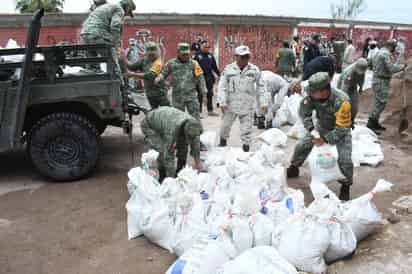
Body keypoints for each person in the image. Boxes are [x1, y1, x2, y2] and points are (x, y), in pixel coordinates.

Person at [287, 72, 354, 201]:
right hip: (321, 126)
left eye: (313, 91)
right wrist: (312, 131)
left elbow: (342, 129)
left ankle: (346, 185)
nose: (310, 93)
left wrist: (324, 139)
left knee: (345, 159)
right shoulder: (312, 96)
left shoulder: (342, 101)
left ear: (324, 91)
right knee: (302, 145)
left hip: (340, 130)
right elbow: (304, 113)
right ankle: (294, 167)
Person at [218, 45, 267, 152]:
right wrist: (222, 102)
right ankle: (222, 146)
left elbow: (261, 86)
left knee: (247, 131)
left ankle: (246, 150)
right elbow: (222, 86)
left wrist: (263, 102)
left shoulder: (254, 70)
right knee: (224, 128)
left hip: (247, 104)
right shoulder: (229, 69)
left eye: (247, 57)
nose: (245, 59)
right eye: (242, 57)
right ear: (236, 57)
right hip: (231, 104)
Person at [141, 106, 203, 182]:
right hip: (150, 125)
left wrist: (198, 163)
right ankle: (162, 175)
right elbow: (168, 155)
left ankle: (180, 169)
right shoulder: (172, 130)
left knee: (183, 145)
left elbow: (195, 145)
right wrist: (171, 180)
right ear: (184, 131)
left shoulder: (194, 126)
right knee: (161, 150)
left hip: (165, 121)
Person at [80, 0, 136, 83]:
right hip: (98, 34)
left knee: (92, 65)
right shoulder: (119, 9)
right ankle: (120, 86)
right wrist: (117, 47)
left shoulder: (106, 7)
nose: (126, 15)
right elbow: (115, 26)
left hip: (85, 35)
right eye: (128, 13)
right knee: (114, 61)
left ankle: (95, 83)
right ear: (127, 7)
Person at [156, 43, 207, 121]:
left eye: (187, 54)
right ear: (178, 53)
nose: (186, 56)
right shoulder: (171, 63)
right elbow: (163, 74)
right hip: (177, 98)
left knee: (195, 118)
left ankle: (195, 132)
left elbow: (200, 78)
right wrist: (159, 78)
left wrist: (204, 94)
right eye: (184, 54)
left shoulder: (194, 63)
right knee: (177, 119)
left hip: (191, 96)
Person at [367, 39, 404, 133]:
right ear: (391, 46)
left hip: (379, 80)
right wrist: (403, 67)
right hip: (381, 81)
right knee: (380, 103)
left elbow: (370, 63)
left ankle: (374, 122)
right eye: (394, 47)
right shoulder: (385, 54)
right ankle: (371, 123)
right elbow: (391, 68)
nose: (395, 50)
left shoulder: (379, 52)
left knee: (378, 102)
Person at [123, 42, 170, 109]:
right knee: (154, 112)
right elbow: (132, 67)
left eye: (153, 53)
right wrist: (124, 58)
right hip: (149, 93)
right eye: (149, 54)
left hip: (160, 93)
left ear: (156, 52)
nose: (151, 55)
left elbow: (150, 75)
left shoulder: (158, 62)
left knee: (167, 111)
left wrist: (133, 74)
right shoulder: (144, 60)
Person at [337, 58, 368, 126]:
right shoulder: (348, 72)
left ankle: (351, 120)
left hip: (353, 87)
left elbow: (362, 78)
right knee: (345, 105)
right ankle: (342, 121)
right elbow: (344, 88)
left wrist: (361, 87)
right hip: (344, 88)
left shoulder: (362, 69)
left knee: (354, 106)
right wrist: (344, 99)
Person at [193, 40, 221, 116]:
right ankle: (199, 111)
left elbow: (214, 67)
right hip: (199, 78)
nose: (206, 48)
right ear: (201, 46)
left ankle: (210, 110)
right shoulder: (196, 55)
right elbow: (192, 67)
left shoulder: (210, 56)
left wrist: (219, 74)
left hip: (209, 78)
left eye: (208, 47)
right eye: (205, 47)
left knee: (210, 94)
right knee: (200, 95)